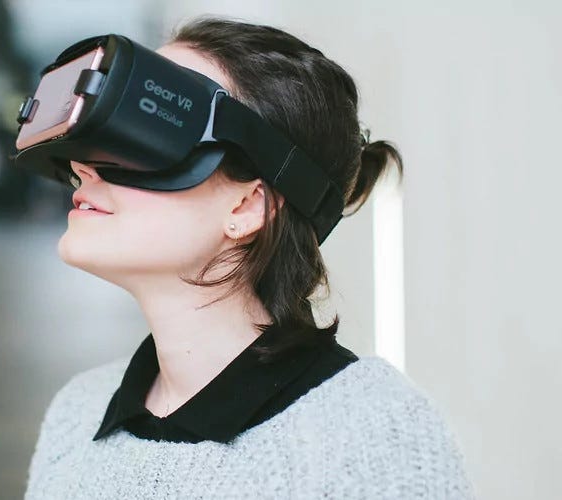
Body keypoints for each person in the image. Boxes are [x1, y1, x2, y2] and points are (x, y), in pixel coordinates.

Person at [23, 18, 473, 498]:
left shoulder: (374, 437)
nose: (83, 164)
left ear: (246, 206)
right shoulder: (77, 411)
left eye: (144, 134)